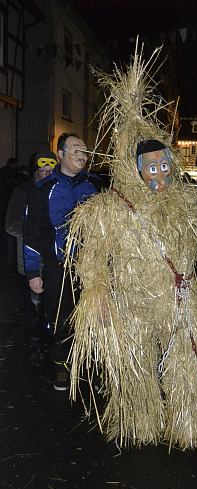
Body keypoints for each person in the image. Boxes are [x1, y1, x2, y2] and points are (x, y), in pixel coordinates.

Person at [65, 54, 197, 450]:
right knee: (136, 368)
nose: (161, 176)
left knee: (187, 364)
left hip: (183, 304)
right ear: (135, 169)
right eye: (151, 169)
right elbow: (93, 262)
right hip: (133, 305)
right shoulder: (107, 209)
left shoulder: (190, 203)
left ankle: (187, 424)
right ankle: (140, 421)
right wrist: (97, 298)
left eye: (165, 167)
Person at [23, 134, 103, 390]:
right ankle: (61, 364)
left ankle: (94, 365)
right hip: (58, 266)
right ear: (60, 153)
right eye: (75, 150)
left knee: (95, 317)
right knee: (60, 317)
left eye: (85, 151)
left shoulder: (95, 186)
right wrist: (33, 272)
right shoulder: (43, 190)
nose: (82, 156)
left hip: (92, 266)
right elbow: (31, 233)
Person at [6, 150, 58, 365]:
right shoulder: (23, 191)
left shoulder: (58, 191)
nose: (45, 175)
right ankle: (35, 347)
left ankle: (52, 345)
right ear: (35, 171)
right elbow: (11, 224)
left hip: (53, 262)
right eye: (41, 171)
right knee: (34, 308)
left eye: (49, 171)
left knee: (52, 307)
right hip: (28, 262)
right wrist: (35, 234)